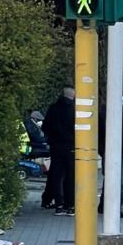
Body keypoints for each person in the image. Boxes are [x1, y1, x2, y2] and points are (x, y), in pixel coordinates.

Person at [98, 96, 123, 216]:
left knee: (115, 180)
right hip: (118, 151)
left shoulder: (107, 113)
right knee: (118, 180)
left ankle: (109, 206)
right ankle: (112, 207)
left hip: (119, 151)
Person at [42, 86, 76, 216]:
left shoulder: (53, 108)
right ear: (73, 95)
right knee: (70, 176)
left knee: (56, 176)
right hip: (71, 146)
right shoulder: (75, 109)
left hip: (56, 147)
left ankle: (59, 205)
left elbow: (45, 127)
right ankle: (70, 205)